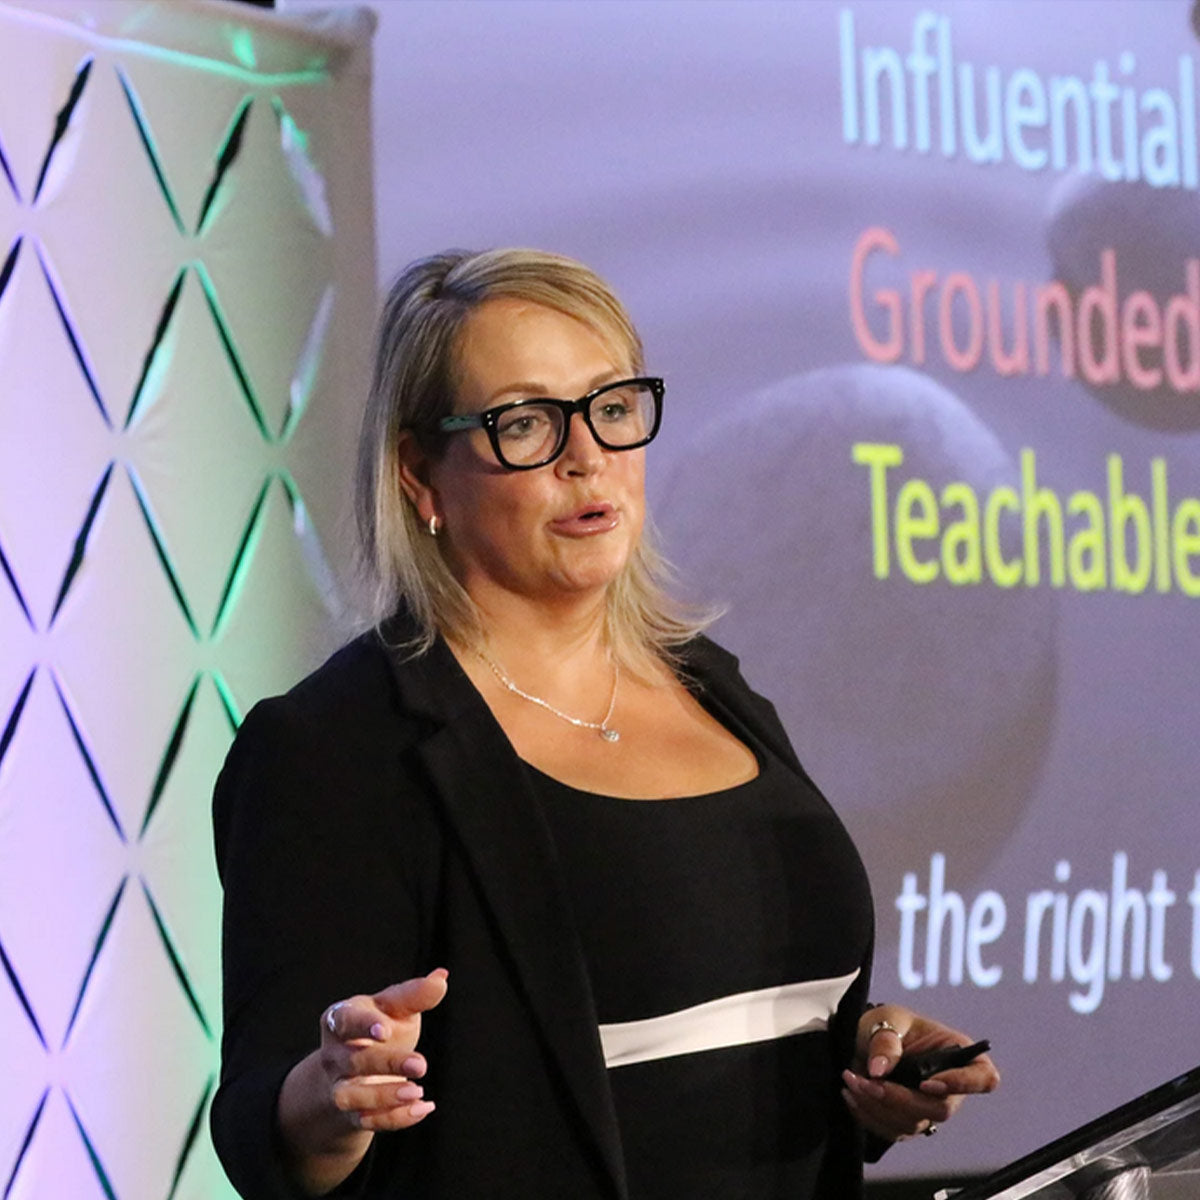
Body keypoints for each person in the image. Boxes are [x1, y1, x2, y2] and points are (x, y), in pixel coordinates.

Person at [211, 248, 999, 1200]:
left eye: (612, 408)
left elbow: (698, 1037)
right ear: (421, 474)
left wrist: (873, 1055)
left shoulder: (715, 689)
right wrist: (332, 1096)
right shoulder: (338, 750)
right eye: (528, 423)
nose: (587, 456)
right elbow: (269, 1131)